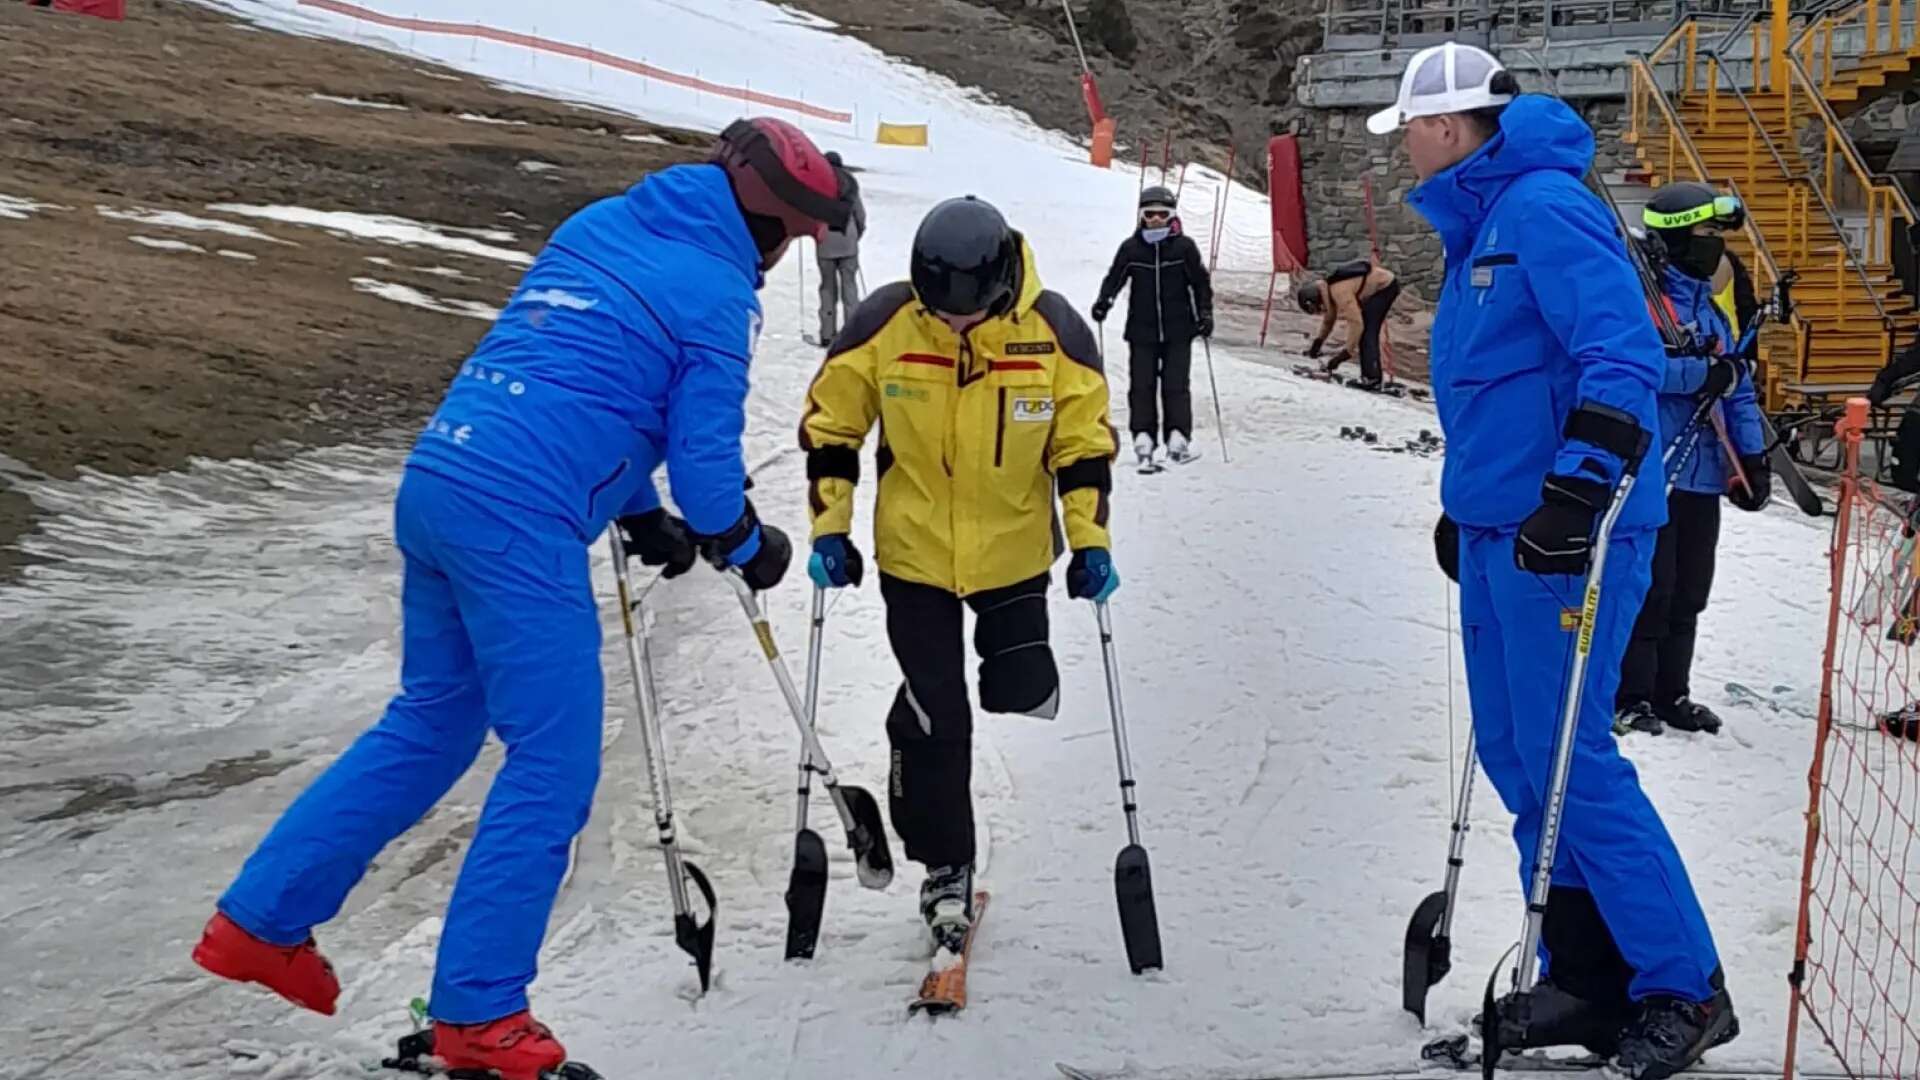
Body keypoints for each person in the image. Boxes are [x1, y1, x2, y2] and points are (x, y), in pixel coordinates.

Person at [190, 117, 842, 1080]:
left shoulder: (601, 223)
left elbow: (574, 381)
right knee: (553, 761)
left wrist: (634, 510)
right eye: (791, 237)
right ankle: (481, 1015)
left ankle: (259, 922)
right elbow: (708, 476)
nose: (785, 254)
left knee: (431, 725)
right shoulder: (714, 293)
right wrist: (747, 542)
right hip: (517, 521)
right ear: (772, 224)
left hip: (442, 481)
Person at [1378, 41, 1736, 1077]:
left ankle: (1685, 985)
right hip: (1503, 530)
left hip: (1569, 533)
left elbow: (1618, 353)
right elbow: (1502, 384)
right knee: (1519, 758)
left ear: (1448, 126)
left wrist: (1578, 487)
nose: (1405, 145)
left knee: (1576, 766)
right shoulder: (1484, 223)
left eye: (1411, 126)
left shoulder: (1542, 206)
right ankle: (1587, 974)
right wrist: (1476, 506)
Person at [797, 195, 1117, 950]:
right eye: (941, 314)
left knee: (1020, 691)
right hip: (916, 558)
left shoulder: (1056, 332)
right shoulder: (885, 322)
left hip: (1012, 555)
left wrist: (1091, 541)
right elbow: (832, 427)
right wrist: (831, 528)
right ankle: (948, 863)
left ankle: (920, 726)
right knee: (944, 717)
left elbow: (1083, 447)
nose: (955, 327)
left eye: (968, 317)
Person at [1613, 183, 1771, 737]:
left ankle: (1671, 693)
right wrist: (1701, 373)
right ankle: (1630, 696)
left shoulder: (1710, 310)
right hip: (1654, 470)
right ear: (1679, 238)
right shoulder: (1642, 298)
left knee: (1689, 590)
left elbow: (1739, 388)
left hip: (1703, 473)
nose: (1717, 248)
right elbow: (1639, 369)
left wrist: (1751, 459)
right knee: (1650, 589)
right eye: (1707, 236)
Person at [1092, 185, 1214, 469]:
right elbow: (1115, 278)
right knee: (1142, 385)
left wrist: (1205, 314)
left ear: (1172, 216)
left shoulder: (1184, 248)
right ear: (1141, 216)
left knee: (1176, 386)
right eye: (1150, 213)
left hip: (1178, 330)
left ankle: (1178, 437)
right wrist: (1103, 302)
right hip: (1142, 331)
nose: (1156, 219)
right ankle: (1143, 436)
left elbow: (1200, 283)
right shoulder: (1132, 248)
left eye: (1163, 213)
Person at [1294, 257, 1402, 389]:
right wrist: (1317, 343)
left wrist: (1345, 354)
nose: (1320, 311)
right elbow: (1329, 320)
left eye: (1318, 309)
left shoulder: (1339, 292)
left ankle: (1372, 379)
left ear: (1317, 299)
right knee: (1366, 328)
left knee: (1367, 331)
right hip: (1376, 288)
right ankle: (1370, 376)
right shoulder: (1328, 291)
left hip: (1385, 287)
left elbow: (1356, 323)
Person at [816, 149, 867, 347]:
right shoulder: (850, 183)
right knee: (850, 287)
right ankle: (851, 334)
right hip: (848, 241)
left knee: (827, 288)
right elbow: (859, 214)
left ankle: (827, 334)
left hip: (825, 243)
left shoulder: (819, 184)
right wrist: (857, 235)